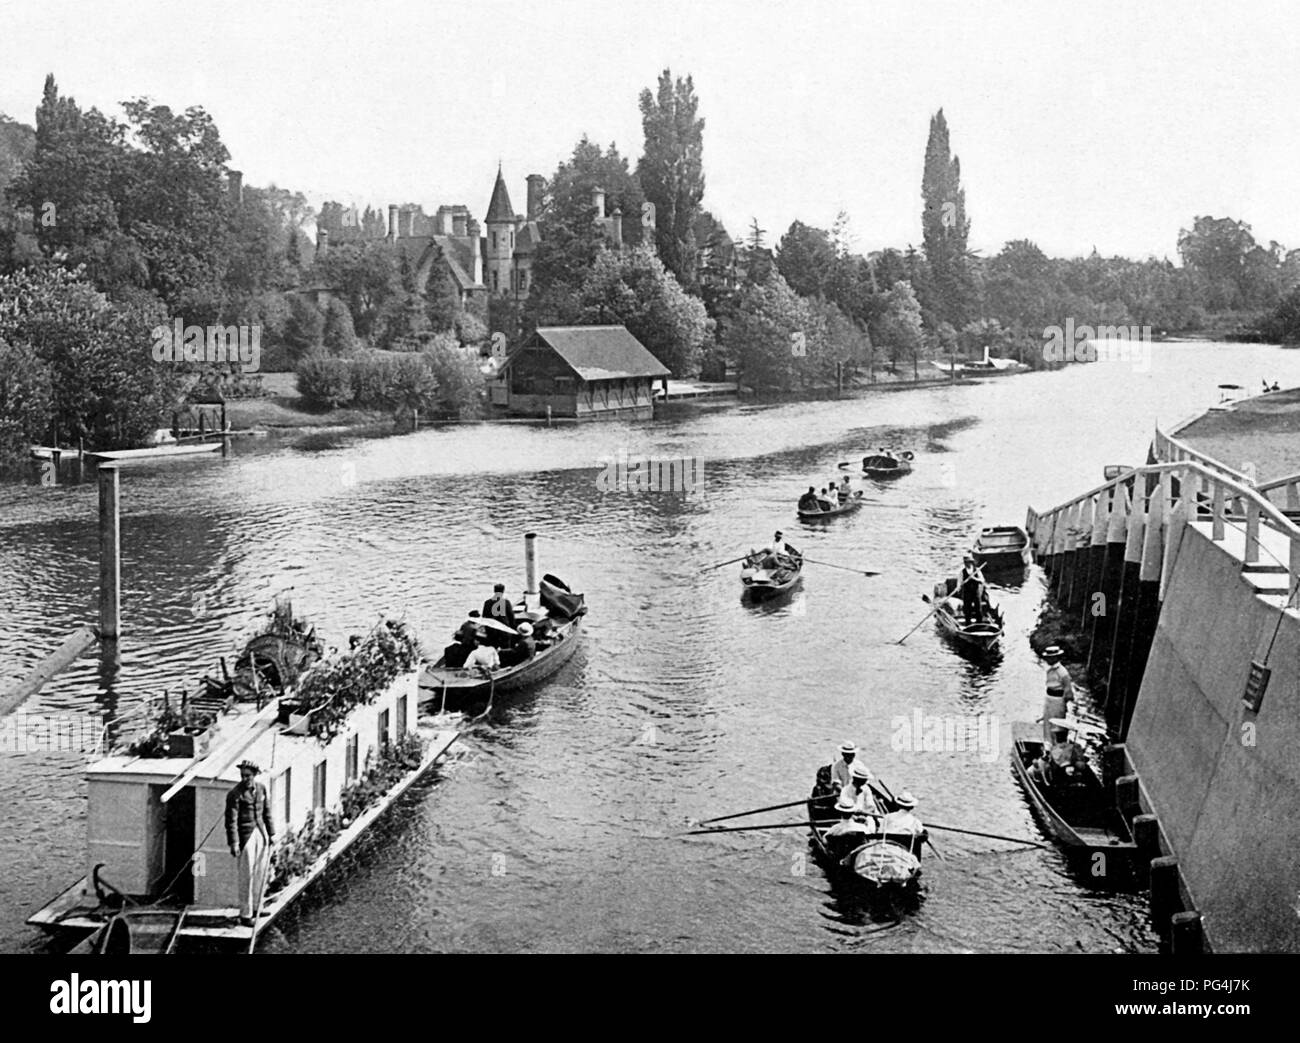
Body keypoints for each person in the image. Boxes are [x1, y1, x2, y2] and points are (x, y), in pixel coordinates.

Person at [225, 760, 274, 927]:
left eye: (248, 775)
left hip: (261, 833)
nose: (245, 778)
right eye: (242, 776)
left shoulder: (261, 789)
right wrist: (234, 843)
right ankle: (246, 915)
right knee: (246, 875)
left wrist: (272, 833)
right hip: (245, 836)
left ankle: (257, 907)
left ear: (255, 775)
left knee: (260, 872)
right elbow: (230, 821)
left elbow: (267, 812)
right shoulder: (235, 794)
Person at [1042, 645, 1074, 745]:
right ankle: (1049, 745)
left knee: (1057, 725)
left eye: (1050, 657)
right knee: (1047, 723)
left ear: (1056, 658)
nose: (1048, 659)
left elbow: (1068, 691)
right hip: (1049, 698)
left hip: (1058, 700)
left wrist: (1063, 704)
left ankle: (1059, 746)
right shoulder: (1050, 670)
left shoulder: (1062, 672)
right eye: (1047, 657)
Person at [958, 554, 987, 623]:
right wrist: (958, 588)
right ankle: (968, 624)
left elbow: (982, 581)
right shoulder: (962, 572)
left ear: (971, 562)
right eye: (965, 562)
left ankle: (979, 623)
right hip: (967, 592)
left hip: (975, 592)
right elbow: (959, 583)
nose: (966, 564)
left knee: (978, 608)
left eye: (968, 562)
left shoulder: (977, 570)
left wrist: (974, 578)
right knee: (967, 609)